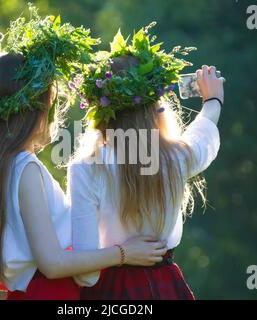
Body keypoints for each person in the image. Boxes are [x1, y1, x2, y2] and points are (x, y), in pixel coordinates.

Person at [0, 9, 167, 300]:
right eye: (50, 104)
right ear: (37, 108)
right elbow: (51, 264)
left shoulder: (0, 165)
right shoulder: (24, 168)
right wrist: (125, 253)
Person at [68, 26, 224, 299]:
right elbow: (204, 135)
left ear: (101, 110)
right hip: (167, 286)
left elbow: (86, 275)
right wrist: (213, 99)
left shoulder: (85, 168)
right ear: (155, 107)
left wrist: (121, 255)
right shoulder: (177, 158)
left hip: (112, 291)